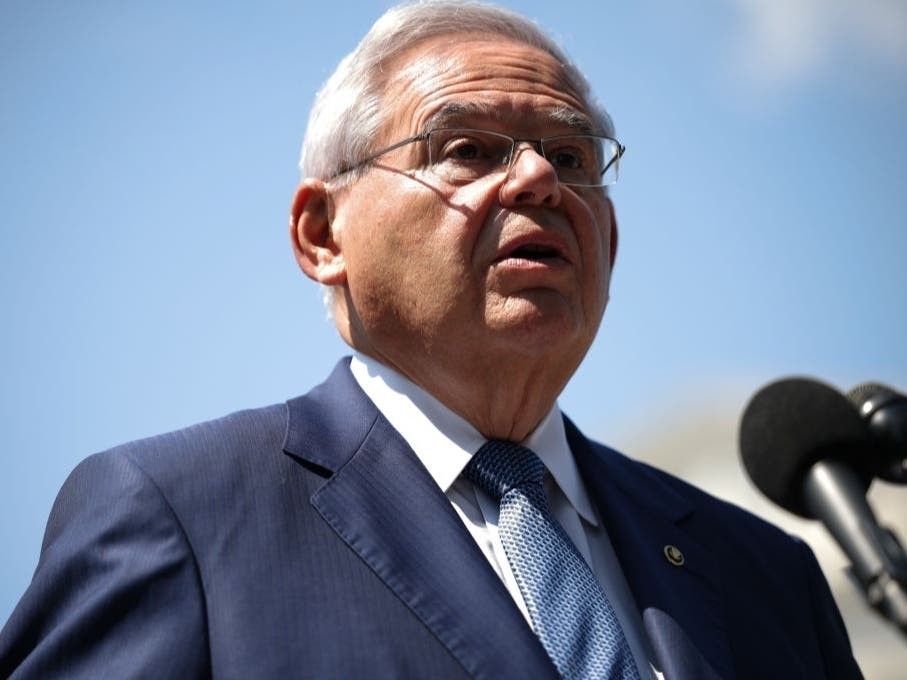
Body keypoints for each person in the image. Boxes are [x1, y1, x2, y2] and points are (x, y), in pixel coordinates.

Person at [0, 2, 863, 678]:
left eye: (570, 159)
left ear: (609, 237)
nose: (535, 179)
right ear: (322, 235)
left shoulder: (765, 576)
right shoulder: (179, 518)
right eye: (467, 148)